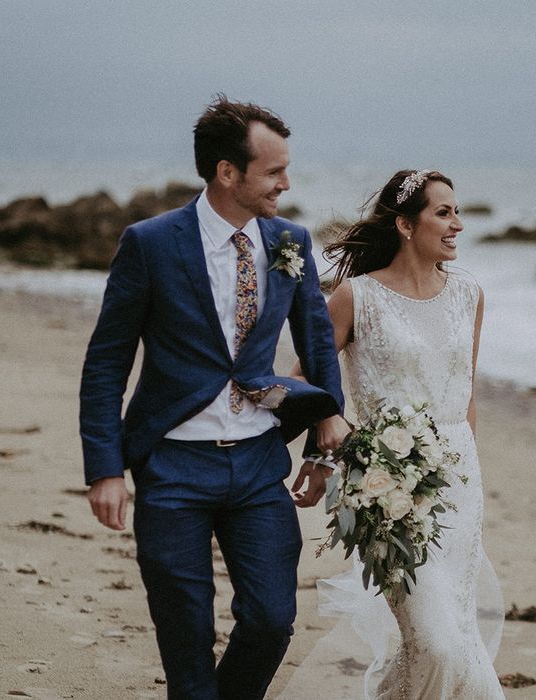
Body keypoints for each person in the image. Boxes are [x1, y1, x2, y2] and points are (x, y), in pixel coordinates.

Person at [79, 96, 349, 700]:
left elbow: (318, 342)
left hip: (257, 461)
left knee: (272, 620)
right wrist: (106, 468)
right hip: (172, 465)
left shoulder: (291, 242)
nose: (287, 182)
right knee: (186, 635)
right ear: (228, 172)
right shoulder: (150, 243)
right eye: (274, 171)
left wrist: (326, 420)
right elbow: (106, 362)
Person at [315, 169, 505, 698]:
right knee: (438, 644)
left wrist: (467, 471)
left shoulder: (469, 294)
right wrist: (327, 431)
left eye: (458, 212)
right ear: (404, 223)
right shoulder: (357, 297)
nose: (457, 225)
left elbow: (465, 393)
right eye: (443, 213)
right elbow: (310, 379)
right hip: (386, 491)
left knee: (450, 639)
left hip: (460, 485)